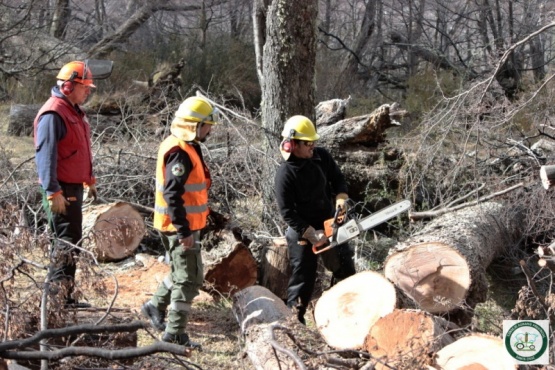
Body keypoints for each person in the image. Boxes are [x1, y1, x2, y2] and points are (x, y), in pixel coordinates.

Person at [141, 96, 218, 348]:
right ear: (194, 125)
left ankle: (154, 306)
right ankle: (175, 333)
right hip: (179, 227)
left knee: (180, 272)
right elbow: (172, 193)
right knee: (189, 279)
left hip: (178, 224)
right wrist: (184, 230)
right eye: (207, 125)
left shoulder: (183, 144)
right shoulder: (180, 153)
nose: (210, 130)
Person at [274, 115, 356, 324]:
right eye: (308, 143)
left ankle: (346, 311)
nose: (313, 146)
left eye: (314, 142)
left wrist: (340, 200)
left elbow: (338, 180)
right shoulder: (286, 174)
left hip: (329, 221)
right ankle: (294, 321)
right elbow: (287, 213)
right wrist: (311, 234)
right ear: (292, 145)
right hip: (302, 228)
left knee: (345, 267)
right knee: (303, 279)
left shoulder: (321, 157)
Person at [34, 61, 98, 308]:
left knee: (72, 241)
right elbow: (45, 156)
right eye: (85, 87)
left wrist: (89, 180)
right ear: (69, 86)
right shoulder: (54, 113)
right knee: (65, 242)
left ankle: (64, 296)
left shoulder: (73, 110)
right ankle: (57, 301)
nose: (88, 91)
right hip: (60, 189)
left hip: (72, 187)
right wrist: (52, 191)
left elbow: (79, 150)